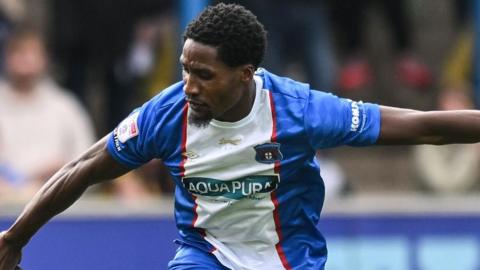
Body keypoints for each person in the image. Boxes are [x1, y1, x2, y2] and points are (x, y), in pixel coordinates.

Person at [1, 3, 480, 269]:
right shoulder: (166, 115)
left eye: (204, 75)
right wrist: (15, 239)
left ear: (245, 73)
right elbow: (82, 167)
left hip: (290, 261)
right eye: (185, 69)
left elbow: (427, 127)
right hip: (204, 255)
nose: (189, 86)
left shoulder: (301, 112)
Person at [0, 28, 95, 201]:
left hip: (58, 210)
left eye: (32, 53)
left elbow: (91, 166)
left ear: (44, 59)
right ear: (7, 58)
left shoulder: (66, 107)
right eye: (19, 52)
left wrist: (57, 177)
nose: (26, 60)